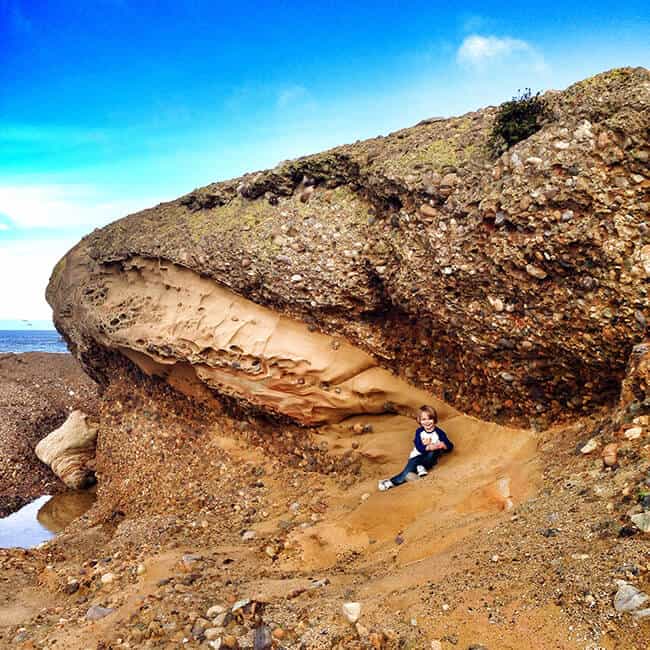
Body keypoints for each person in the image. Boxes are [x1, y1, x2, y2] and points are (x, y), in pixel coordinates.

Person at [378, 405, 453, 491]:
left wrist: (444, 445)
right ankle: (390, 482)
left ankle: (420, 467)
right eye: (424, 419)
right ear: (419, 421)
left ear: (434, 419)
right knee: (406, 473)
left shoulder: (439, 433)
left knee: (434, 452)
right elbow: (419, 447)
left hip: (429, 460)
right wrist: (429, 447)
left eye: (430, 419)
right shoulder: (419, 432)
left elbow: (450, 446)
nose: (427, 422)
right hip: (416, 457)